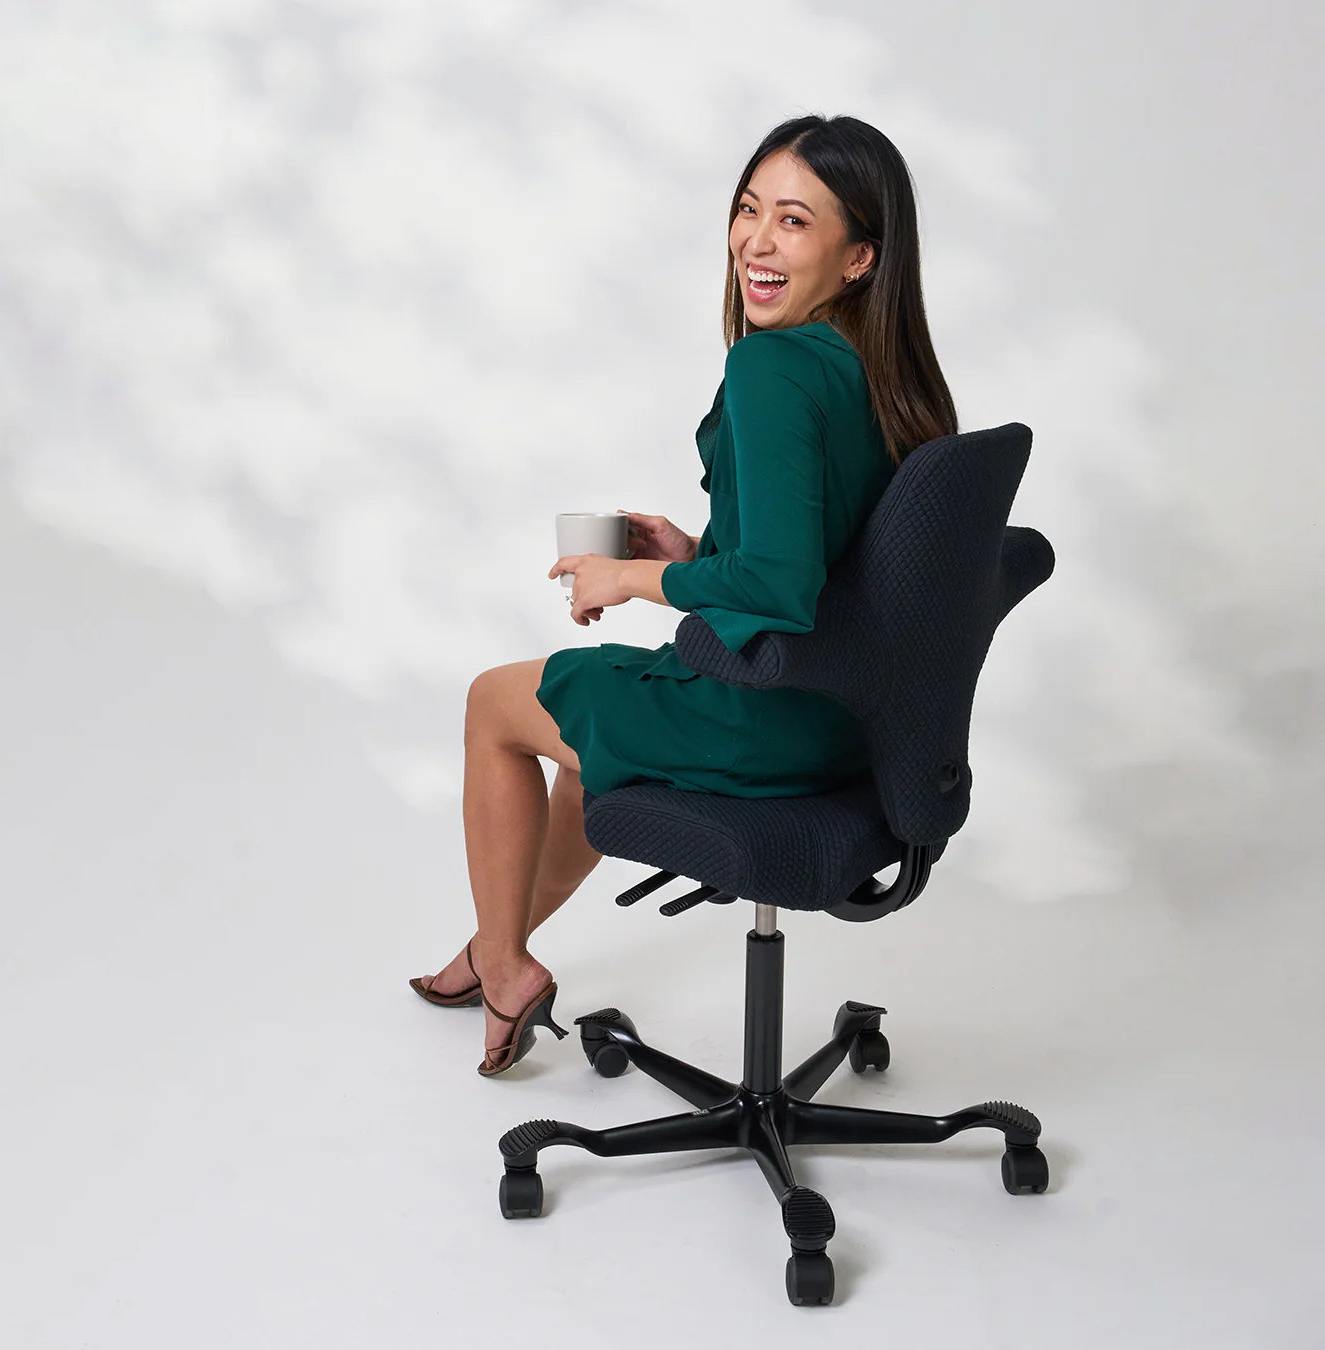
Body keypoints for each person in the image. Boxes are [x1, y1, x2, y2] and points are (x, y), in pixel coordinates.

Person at [409, 114, 959, 1076]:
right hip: (852, 722)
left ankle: (502, 964)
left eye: (794, 221)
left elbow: (780, 586)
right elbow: (833, 564)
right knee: (586, 737)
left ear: (859, 256)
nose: (756, 242)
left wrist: (631, 575)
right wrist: (696, 550)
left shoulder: (770, 366)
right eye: (749, 210)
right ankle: (489, 946)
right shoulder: (881, 372)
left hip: (766, 720)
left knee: (495, 704)